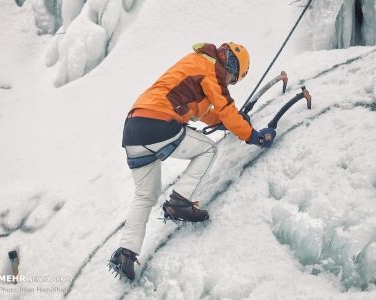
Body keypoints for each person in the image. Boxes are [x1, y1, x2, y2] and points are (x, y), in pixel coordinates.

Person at [108, 42, 276, 281]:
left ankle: (126, 253)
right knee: (208, 149)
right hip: (159, 120)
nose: (229, 81)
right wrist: (253, 135)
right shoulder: (211, 69)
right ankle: (179, 202)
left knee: (146, 195)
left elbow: (206, 112)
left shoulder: (197, 64)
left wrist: (232, 121)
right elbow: (226, 108)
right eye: (233, 77)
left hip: (134, 127)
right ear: (230, 66)